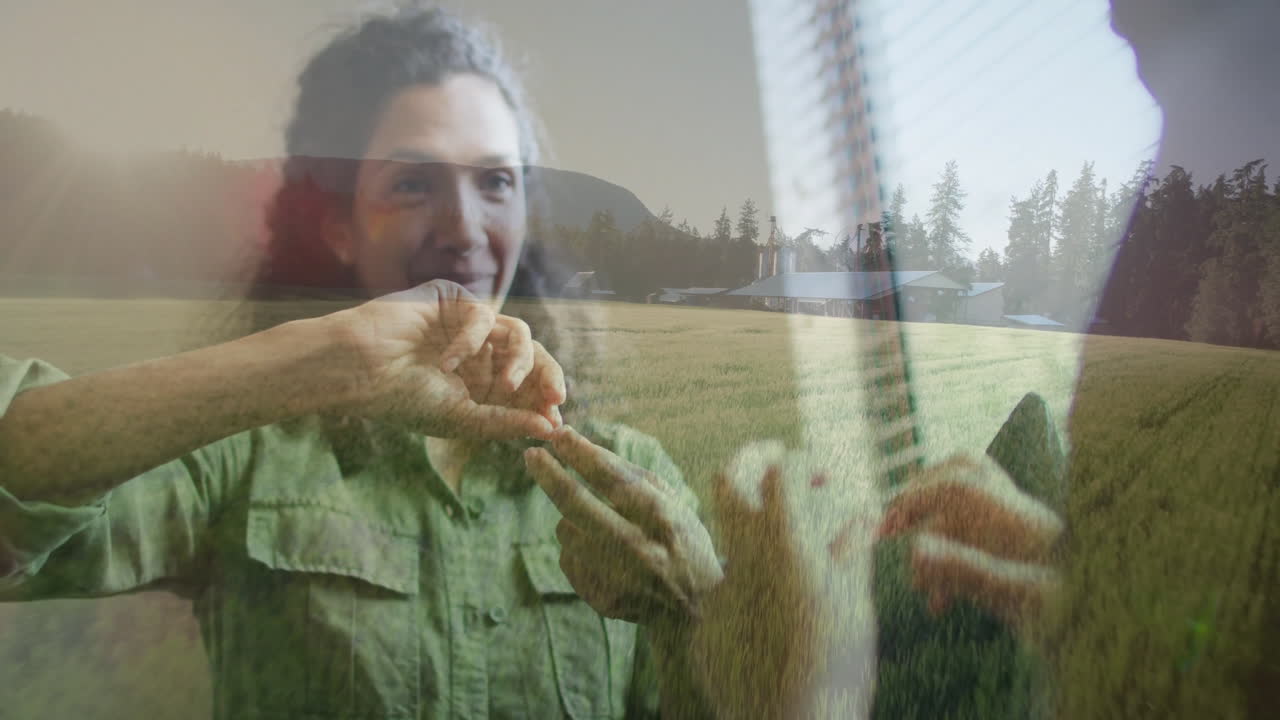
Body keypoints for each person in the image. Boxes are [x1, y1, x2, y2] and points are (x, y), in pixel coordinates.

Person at [0, 4, 1066, 719]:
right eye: (412, 184)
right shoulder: (251, 458)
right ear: (333, 227)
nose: (464, 225)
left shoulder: (622, 476)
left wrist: (708, 614)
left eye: (496, 182)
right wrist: (318, 356)